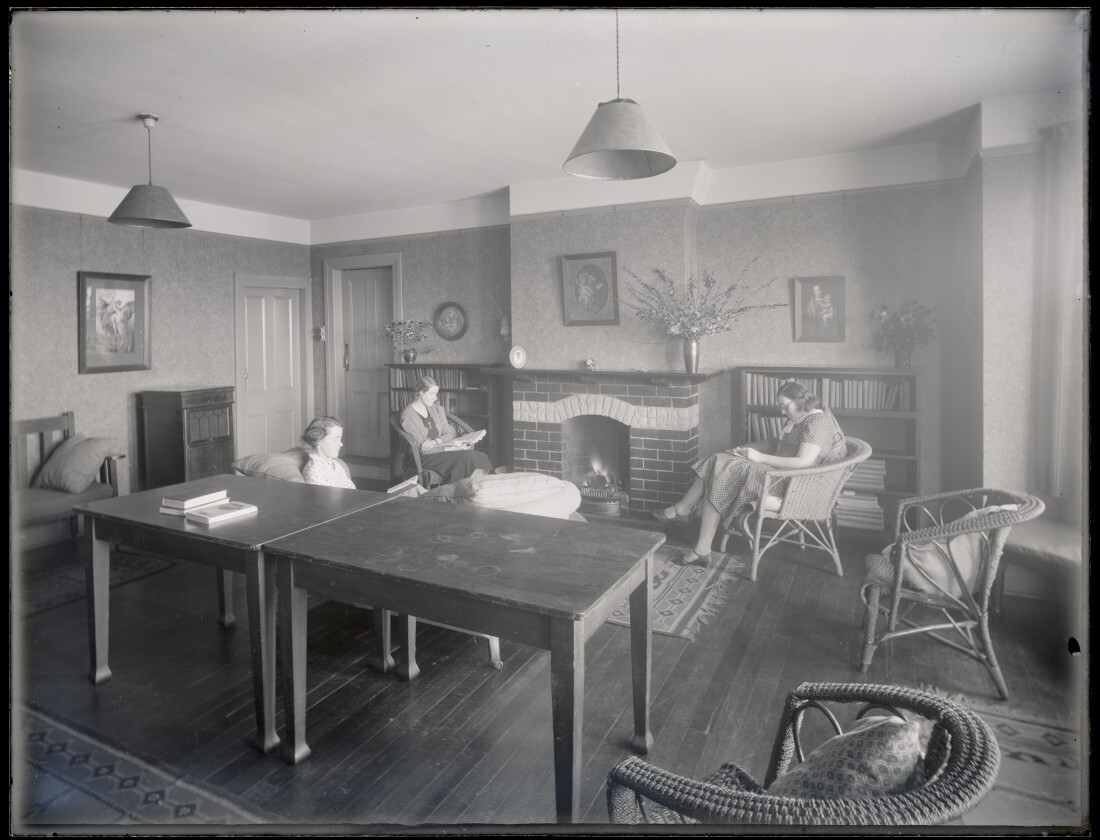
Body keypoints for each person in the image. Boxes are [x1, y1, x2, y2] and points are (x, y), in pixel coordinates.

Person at [652, 380, 846, 567]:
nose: (781, 411)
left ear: (799, 401)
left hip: (788, 482)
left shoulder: (817, 422)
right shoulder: (802, 419)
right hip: (776, 473)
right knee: (718, 461)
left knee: (720, 468)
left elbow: (803, 463)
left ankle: (686, 518)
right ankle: (689, 522)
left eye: (784, 405)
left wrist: (759, 457)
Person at [399, 376, 492, 484]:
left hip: (440, 449)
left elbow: (449, 433)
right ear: (420, 392)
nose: (435, 398)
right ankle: (461, 493)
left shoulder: (437, 409)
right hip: (422, 458)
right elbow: (423, 449)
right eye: (432, 394)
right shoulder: (408, 416)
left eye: (436, 393)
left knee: (480, 456)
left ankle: (487, 490)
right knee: (466, 458)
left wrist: (436, 441)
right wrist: (452, 448)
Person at [300, 416, 356, 488]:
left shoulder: (334, 463)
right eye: (335, 440)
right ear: (318, 440)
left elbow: (352, 489)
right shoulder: (315, 471)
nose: (341, 444)